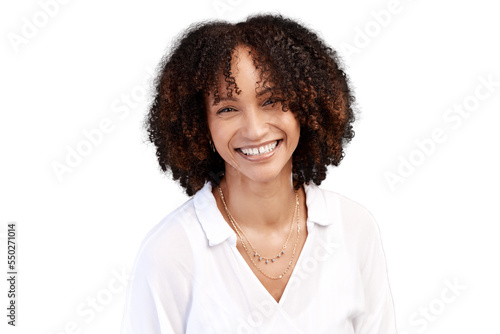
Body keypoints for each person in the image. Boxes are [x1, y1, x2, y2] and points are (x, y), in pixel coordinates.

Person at [121, 13, 397, 334]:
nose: (254, 130)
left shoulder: (353, 228)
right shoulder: (170, 252)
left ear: (305, 108)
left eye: (272, 100)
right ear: (200, 125)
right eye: (227, 109)